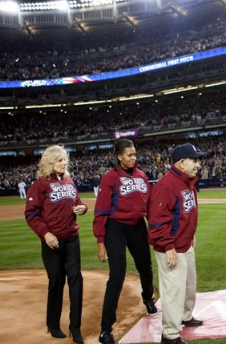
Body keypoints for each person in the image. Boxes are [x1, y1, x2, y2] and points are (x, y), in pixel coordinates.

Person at [93, 139, 157, 344]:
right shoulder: (109, 178)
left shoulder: (142, 176)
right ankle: (105, 329)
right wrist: (100, 242)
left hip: (138, 226)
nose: (133, 158)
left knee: (145, 268)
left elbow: (150, 206)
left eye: (134, 155)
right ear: (119, 157)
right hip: (116, 228)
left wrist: (155, 229)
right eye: (129, 155)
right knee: (117, 275)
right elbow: (101, 211)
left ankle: (148, 297)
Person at [24, 145, 88, 344]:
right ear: (50, 162)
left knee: (76, 279)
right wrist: (45, 233)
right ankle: (53, 324)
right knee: (56, 282)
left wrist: (83, 208)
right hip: (52, 242)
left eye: (64, 159)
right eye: (59, 159)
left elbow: (78, 201)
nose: (64, 162)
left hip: (71, 238)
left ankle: (75, 327)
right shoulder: (40, 185)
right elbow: (31, 214)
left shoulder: (69, 181)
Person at [148, 143, 207, 344]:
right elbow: (157, 221)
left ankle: (185, 316)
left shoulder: (187, 181)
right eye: (195, 160)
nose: (197, 164)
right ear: (182, 162)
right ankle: (170, 335)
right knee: (173, 290)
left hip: (185, 243)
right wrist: (168, 246)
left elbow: (186, 213)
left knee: (189, 285)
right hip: (171, 247)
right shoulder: (166, 185)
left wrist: (191, 235)